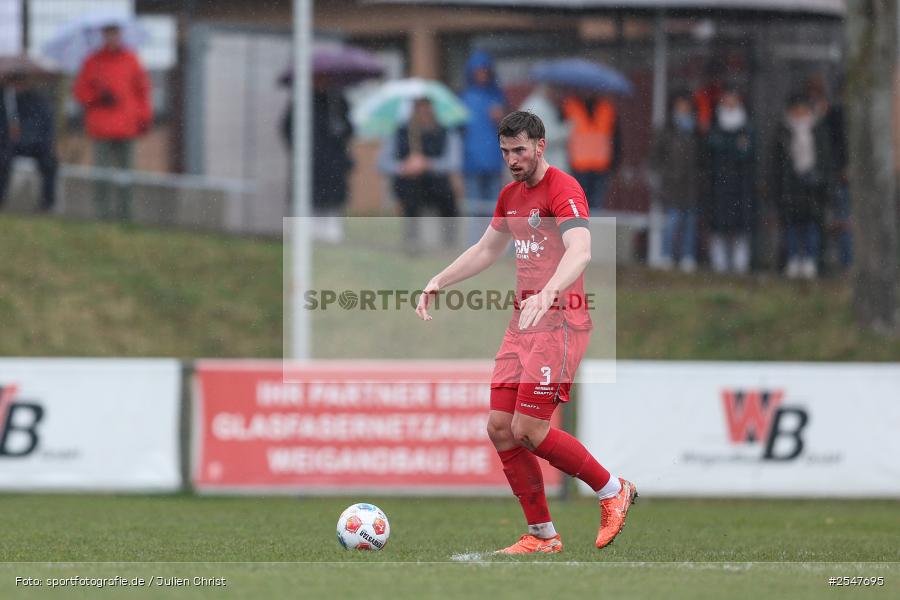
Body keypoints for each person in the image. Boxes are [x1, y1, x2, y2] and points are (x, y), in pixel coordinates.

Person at [415, 111, 636, 554]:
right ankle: (541, 535)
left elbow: (582, 250)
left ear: (540, 145)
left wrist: (549, 292)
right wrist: (440, 278)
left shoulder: (564, 188)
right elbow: (485, 249)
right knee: (500, 427)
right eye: (505, 152)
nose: (512, 160)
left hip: (561, 322)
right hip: (523, 324)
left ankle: (612, 489)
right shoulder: (510, 196)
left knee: (529, 430)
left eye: (519, 150)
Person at [73, 23, 152, 220]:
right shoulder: (92, 61)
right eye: (108, 33)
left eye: (115, 33)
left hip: (126, 127)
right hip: (101, 127)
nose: (112, 37)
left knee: (126, 176)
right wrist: (98, 97)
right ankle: (102, 214)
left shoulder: (131, 60)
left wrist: (143, 119)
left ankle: (126, 213)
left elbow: (142, 91)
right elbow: (81, 92)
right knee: (102, 175)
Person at [378, 97, 461, 250]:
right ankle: (412, 242)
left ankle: (449, 245)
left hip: (437, 184)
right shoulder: (400, 133)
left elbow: (453, 162)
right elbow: (383, 163)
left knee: (449, 203)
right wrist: (404, 167)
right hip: (409, 184)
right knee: (410, 198)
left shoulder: (445, 133)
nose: (424, 114)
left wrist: (428, 164)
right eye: (420, 109)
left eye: (427, 109)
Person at [281, 74, 354, 243]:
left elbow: (348, 130)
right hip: (310, 167)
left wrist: (341, 129)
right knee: (306, 210)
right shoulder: (302, 102)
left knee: (330, 214)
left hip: (333, 168)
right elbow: (287, 129)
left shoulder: (338, 102)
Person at [771, 93, 831, 280]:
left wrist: (824, 183)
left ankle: (810, 260)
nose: (800, 114)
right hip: (790, 186)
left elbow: (826, 159)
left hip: (813, 187)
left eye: (803, 111)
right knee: (791, 226)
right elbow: (775, 163)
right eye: (796, 111)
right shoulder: (782, 132)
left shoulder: (818, 131)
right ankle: (793, 260)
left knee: (811, 226)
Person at [651, 91, 702, 273]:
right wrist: (664, 175)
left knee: (689, 222)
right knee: (672, 221)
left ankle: (688, 256)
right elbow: (656, 156)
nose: (683, 108)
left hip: (691, 184)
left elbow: (701, 158)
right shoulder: (667, 129)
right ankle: (666, 255)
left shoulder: (697, 130)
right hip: (672, 184)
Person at [461, 50, 508, 244]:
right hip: (472, 160)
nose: (482, 75)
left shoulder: (497, 97)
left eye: (484, 71)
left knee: (493, 207)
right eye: (478, 71)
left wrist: (501, 119)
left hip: (494, 159)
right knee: (474, 207)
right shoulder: (464, 98)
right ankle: (475, 245)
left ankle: (492, 244)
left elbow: (509, 131)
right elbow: (460, 131)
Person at [707, 87, 755, 275]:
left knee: (740, 227)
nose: (730, 104)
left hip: (741, 185)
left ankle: (740, 263)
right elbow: (711, 153)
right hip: (719, 184)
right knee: (719, 227)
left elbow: (749, 155)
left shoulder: (747, 129)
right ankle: (719, 262)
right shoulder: (716, 127)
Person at [807, 75, 851, 272]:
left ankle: (847, 263)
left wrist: (845, 168)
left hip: (840, 176)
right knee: (824, 221)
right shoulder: (823, 117)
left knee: (843, 221)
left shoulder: (838, 116)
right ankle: (824, 262)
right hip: (823, 176)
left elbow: (842, 146)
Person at [0, 71, 58, 212]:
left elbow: (45, 126)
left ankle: (47, 203)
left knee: (50, 163)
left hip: (35, 144)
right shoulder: (5, 101)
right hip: (9, 145)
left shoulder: (38, 100)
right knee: (3, 160)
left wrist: (24, 136)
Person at [562, 91, 622, 209]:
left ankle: (590, 227)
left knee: (594, 205)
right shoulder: (569, 107)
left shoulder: (607, 109)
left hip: (600, 167)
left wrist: (615, 163)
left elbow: (616, 138)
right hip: (578, 166)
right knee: (579, 204)